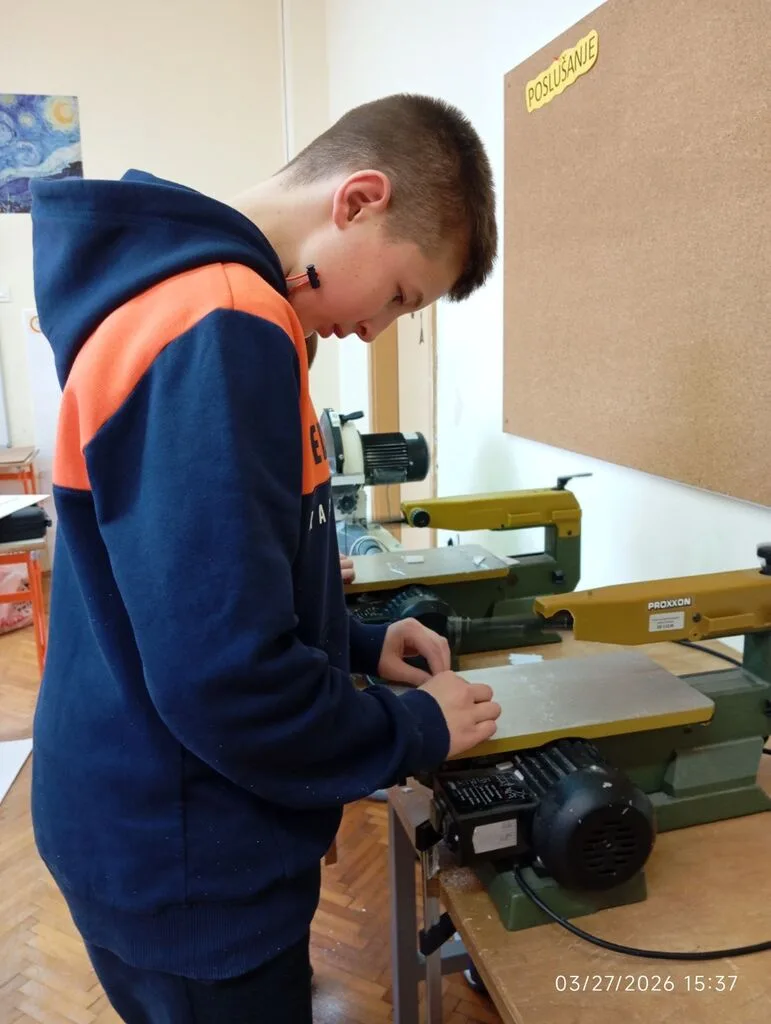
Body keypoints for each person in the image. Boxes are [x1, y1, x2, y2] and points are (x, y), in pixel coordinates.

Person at [29, 93, 500, 1023]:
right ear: (358, 200)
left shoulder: (178, 298)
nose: (375, 329)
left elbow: (189, 592)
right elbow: (226, 678)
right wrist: (414, 730)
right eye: (398, 295)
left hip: (142, 816)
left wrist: (358, 643)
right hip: (186, 855)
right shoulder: (227, 318)